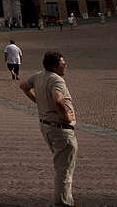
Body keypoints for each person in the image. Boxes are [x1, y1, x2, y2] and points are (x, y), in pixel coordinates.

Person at [19, 52, 77, 207]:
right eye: (63, 64)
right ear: (54, 67)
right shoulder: (57, 80)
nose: (66, 67)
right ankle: (63, 203)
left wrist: (38, 101)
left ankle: (67, 200)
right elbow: (58, 99)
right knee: (64, 168)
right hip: (60, 129)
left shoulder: (39, 76)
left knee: (61, 164)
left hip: (46, 126)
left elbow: (23, 85)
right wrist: (66, 117)